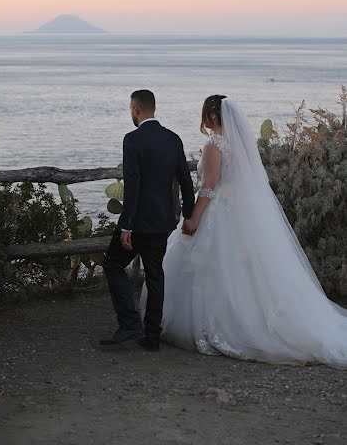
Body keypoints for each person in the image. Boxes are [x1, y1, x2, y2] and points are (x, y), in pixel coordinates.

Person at [145, 94, 347, 367]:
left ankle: (223, 325)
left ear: (212, 116)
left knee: (215, 269)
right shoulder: (236, 145)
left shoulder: (214, 145)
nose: (202, 118)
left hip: (219, 211)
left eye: (204, 112)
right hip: (238, 209)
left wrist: (193, 218)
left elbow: (209, 186)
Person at [101, 89, 195, 351]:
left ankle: (130, 324)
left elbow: (133, 184)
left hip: (137, 221)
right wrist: (188, 215)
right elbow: (185, 180)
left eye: (130, 109)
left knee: (112, 264)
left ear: (135, 109)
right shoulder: (173, 139)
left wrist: (126, 224)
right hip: (163, 221)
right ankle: (152, 336)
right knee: (155, 273)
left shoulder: (132, 140)